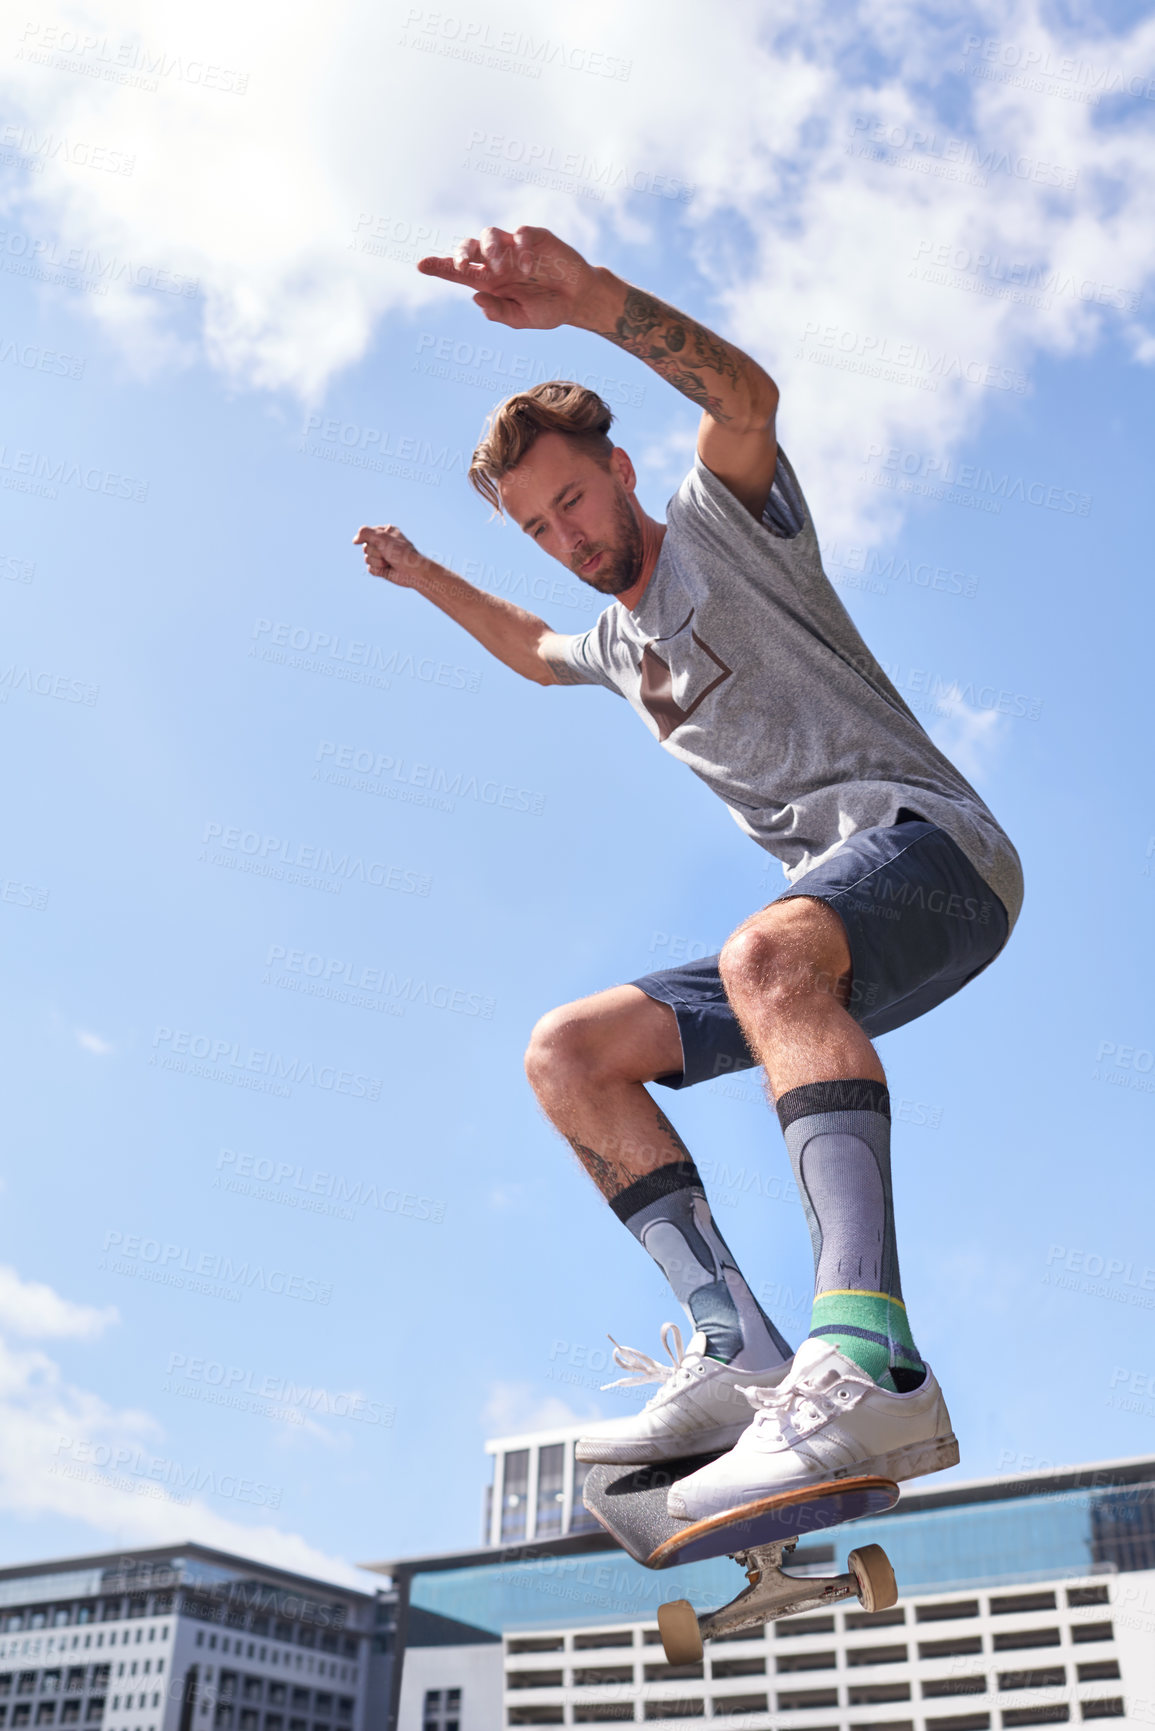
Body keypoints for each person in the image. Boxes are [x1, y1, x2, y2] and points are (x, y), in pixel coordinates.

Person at [354, 225, 1022, 1522]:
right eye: (541, 526)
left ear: (623, 467)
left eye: (578, 501)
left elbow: (748, 400)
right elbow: (529, 648)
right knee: (570, 1052)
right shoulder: (613, 642)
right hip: (821, 945)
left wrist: (596, 304)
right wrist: (431, 573)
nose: (569, 535)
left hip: (938, 853)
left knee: (765, 945)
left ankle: (867, 1353)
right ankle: (745, 1351)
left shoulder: (726, 523)